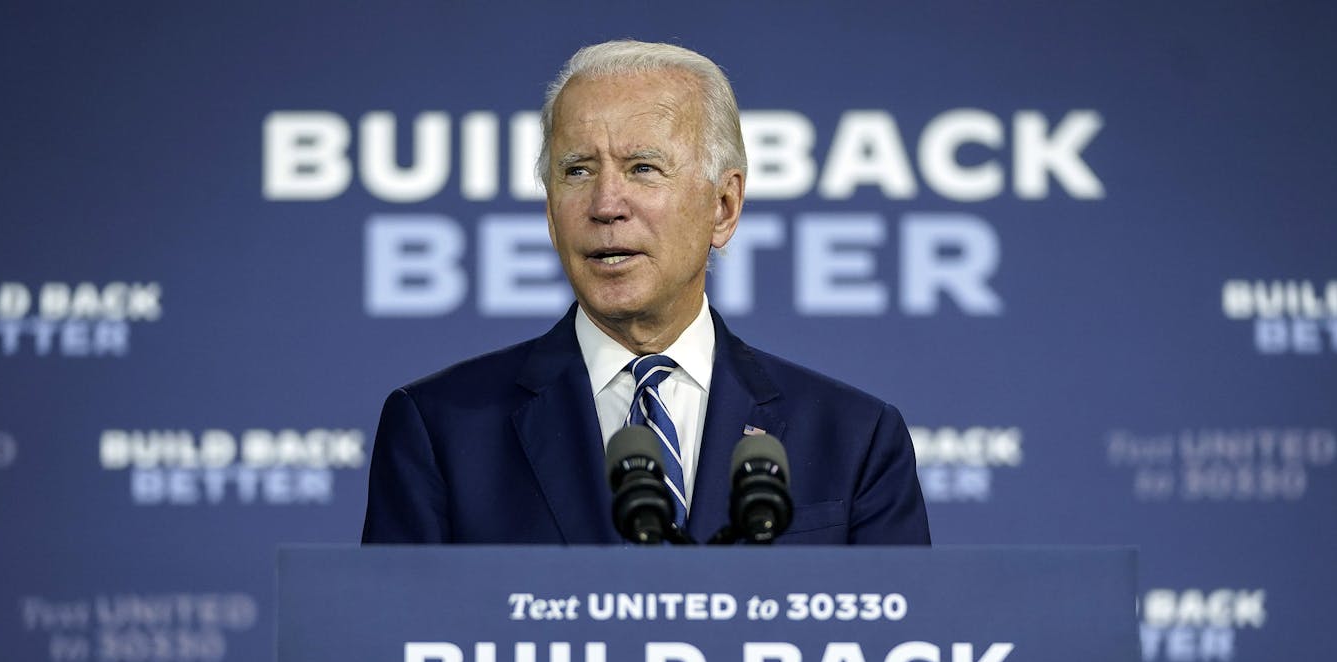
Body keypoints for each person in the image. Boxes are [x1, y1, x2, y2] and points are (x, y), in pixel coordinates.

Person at [362, 39, 929, 545]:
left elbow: (901, 649)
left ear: (723, 207)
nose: (606, 205)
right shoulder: (441, 428)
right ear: (550, 211)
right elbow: (399, 647)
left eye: (642, 168)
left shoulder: (854, 438)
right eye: (578, 171)